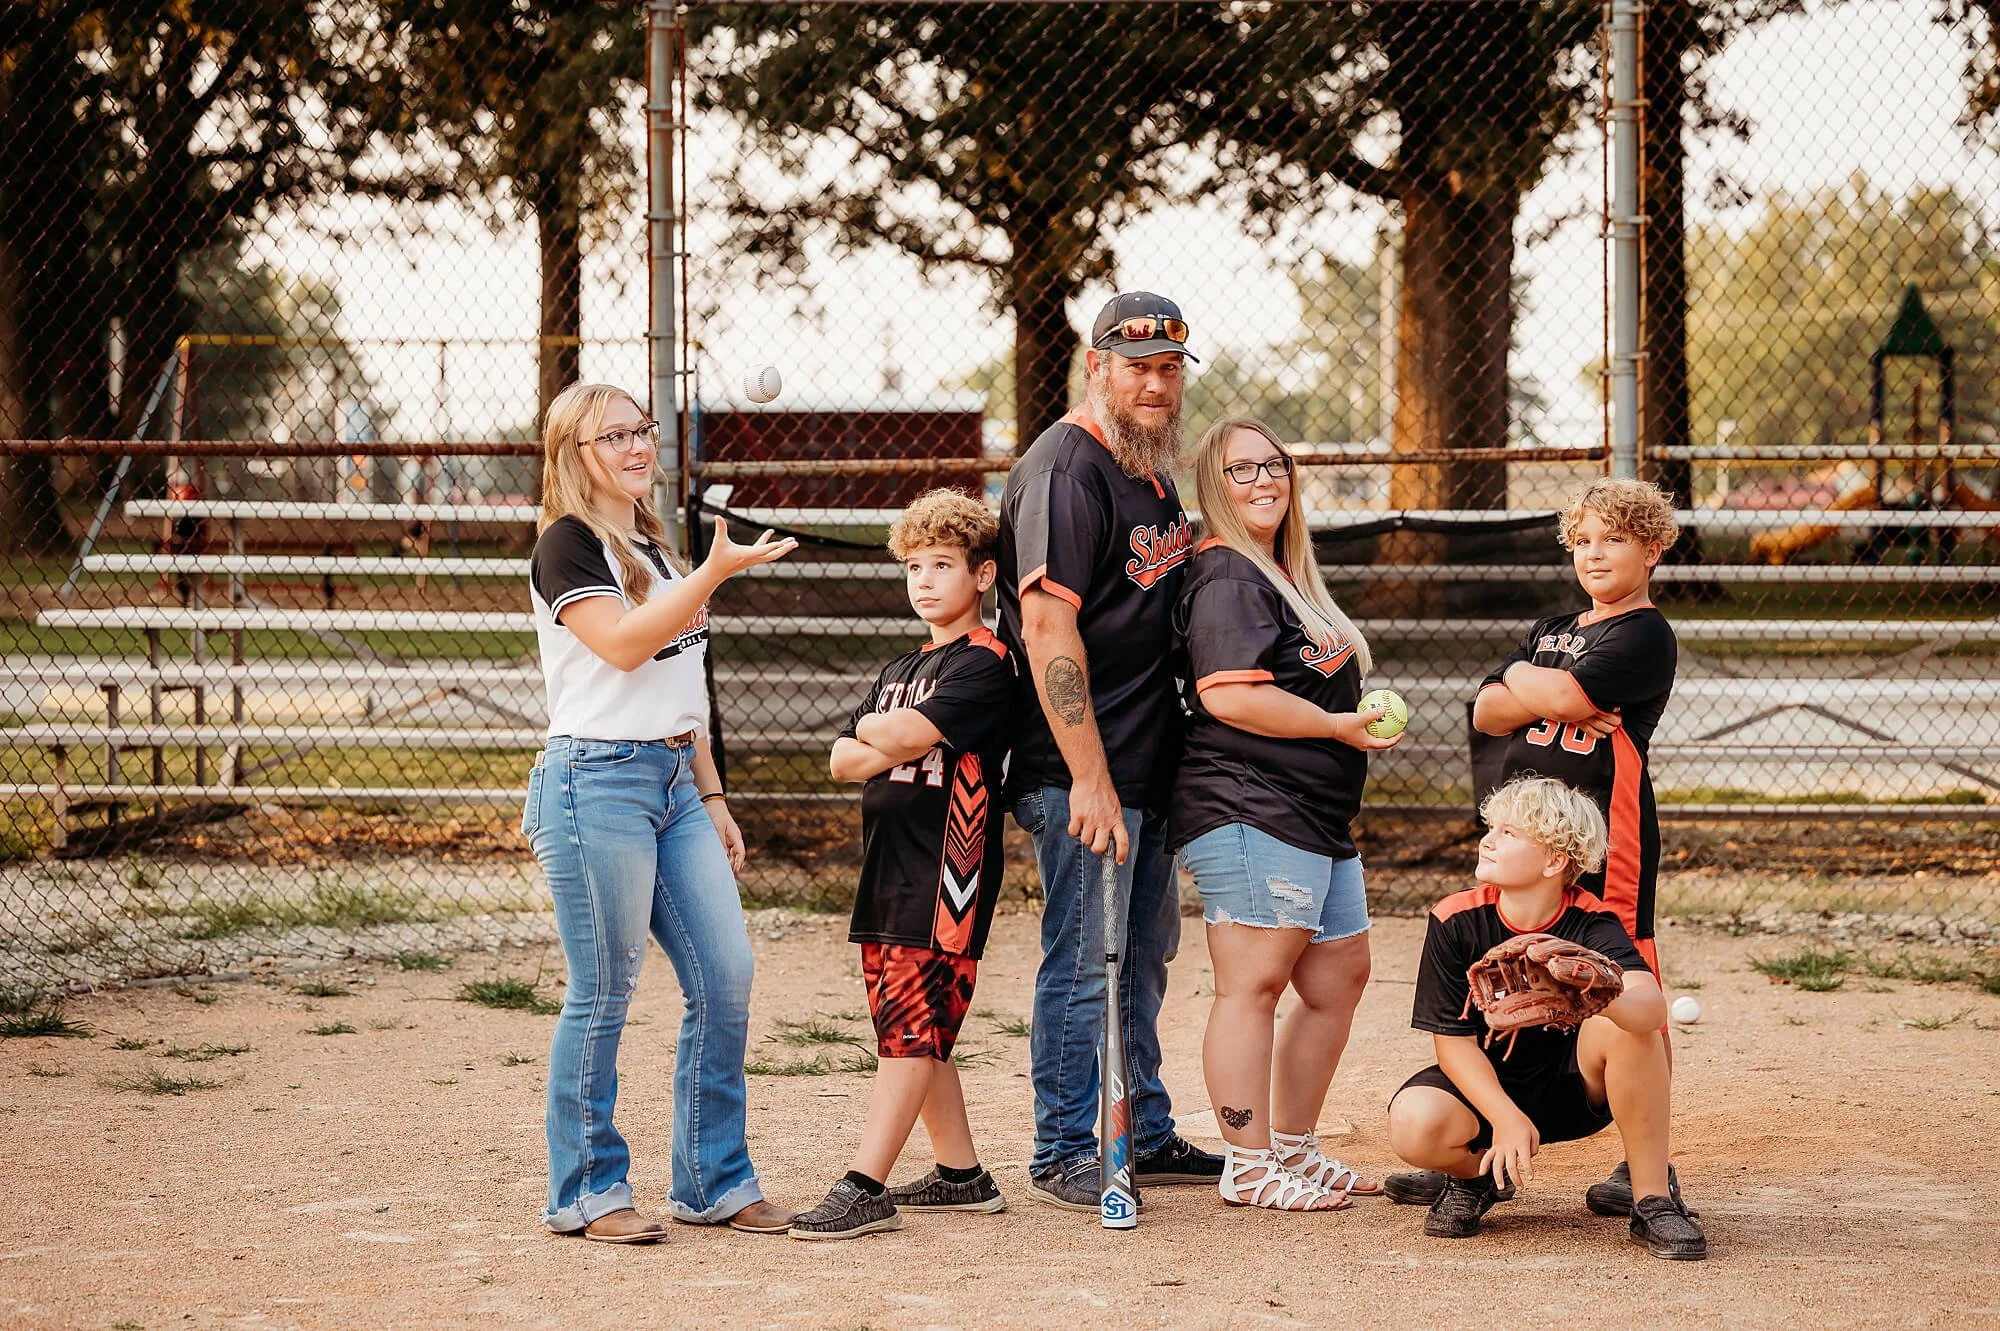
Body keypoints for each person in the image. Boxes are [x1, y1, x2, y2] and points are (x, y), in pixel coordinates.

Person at [522, 381, 798, 1243]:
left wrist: (711, 792)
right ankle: (587, 1189)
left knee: (727, 974)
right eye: (616, 435)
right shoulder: (565, 546)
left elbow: (682, 686)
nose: (640, 445)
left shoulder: (653, 545)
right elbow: (626, 643)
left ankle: (713, 1179)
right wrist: (716, 572)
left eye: (644, 430)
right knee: (604, 989)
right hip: (593, 781)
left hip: (675, 781)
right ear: (575, 454)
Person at [1387, 477, 1684, 1215]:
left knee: (1623, 982)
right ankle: (1484, 1143)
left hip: (1602, 843)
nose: (1594, 553)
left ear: (1652, 548)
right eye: (1582, 540)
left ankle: (1650, 1165)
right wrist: (1530, 677)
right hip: (1525, 838)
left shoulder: (1645, 632)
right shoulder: (1555, 628)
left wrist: (1524, 680)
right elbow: (1489, 709)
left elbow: (1557, 701)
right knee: (1512, 969)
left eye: (1613, 539)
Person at [996, 291, 1221, 1211]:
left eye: (1170, 368)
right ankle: (1060, 1148)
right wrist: (1087, 776)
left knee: (1144, 955)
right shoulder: (1066, 468)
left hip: (1150, 762)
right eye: (1136, 366)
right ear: (1097, 366)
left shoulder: (1151, 468)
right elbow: (1049, 625)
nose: (1156, 384)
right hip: (1084, 772)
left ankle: (1142, 1127)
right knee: (1087, 958)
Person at [1171, 419, 1402, 1211]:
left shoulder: (1277, 570)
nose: (1265, 479)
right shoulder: (1227, 573)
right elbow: (1229, 694)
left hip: (1312, 811)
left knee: (1340, 976)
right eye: (1242, 469)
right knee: (1255, 984)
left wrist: (1346, 721)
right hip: (1248, 805)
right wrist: (1337, 726)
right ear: (1213, 485)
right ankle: (1248, 1160)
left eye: (1276, 464)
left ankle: (1294, 1147)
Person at [790, 490, 1017, 1240]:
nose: (923, 580)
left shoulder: (986, 662)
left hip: (946, 874)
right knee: (907, 1026)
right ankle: (963, 1174)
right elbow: (841, 757)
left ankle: (865, 1184)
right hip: (888, 869)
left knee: (915, 1028)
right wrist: (890, 735)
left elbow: (906, 732)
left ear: (982, 575)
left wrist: (890, 735)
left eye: (943, 565)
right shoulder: (901, 666)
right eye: (914, 566)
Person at [1385, 776, 1706, 1260]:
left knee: (1631, 1028)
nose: (1488, 839)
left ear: (1555, 861)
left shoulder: (1591, 922)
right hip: (1489, 1092)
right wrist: (1505, 1117)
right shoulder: (1456, 919)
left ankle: (1652, 1199)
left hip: (1571, 1089)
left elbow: (1652, 1008)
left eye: (1509, 833)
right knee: (1415, 1123)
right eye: (1491, 827)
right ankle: (1477, 1179)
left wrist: (1601, 994)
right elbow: (1452, 1043)